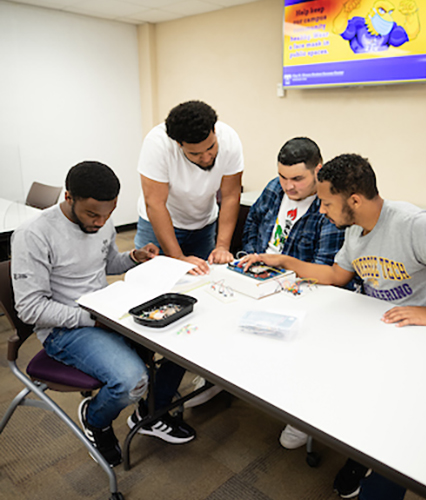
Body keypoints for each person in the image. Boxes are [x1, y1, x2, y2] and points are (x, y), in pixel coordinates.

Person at [240, 153, 426, 499]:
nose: (321, 210)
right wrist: (283, 261)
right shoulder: (354, 229)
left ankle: (379, 464)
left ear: (354, 200)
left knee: (400, 417)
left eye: (325, 203)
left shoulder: (411, 223)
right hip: (384, 325)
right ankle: (359, 451)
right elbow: (338, 275)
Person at [11, 161, 196, 468]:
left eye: (108, 213)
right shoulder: (34, 234)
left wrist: (134, 258)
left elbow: (106, 263)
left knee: (181, 339)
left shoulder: (103, 220)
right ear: (69, 197)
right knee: (132, 380)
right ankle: (96, 419)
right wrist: (91, 318)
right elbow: (30, 309)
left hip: (106, 311)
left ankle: (149, 414)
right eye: (92, 214)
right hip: (64, 328)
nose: (100, 222)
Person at [242, 137, 345, 449]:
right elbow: (253, 224)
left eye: (298, 178)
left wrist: (284, 274)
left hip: (301, 284)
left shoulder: (329, 204)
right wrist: (249, 259)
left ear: (319, 170)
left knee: (298, 340)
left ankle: (300, 412)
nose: (288, 186)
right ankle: (216, 381)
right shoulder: (275, 187)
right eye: (283, 177)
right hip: (261, 272)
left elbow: (325, 267)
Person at [135, 100, 244, 275]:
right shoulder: (157, 144)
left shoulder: (229, 139)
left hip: (204, 225)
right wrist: (177, 257)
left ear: (214, 131)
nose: (207, 158)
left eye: (211, 148)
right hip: (159, 225)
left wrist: (222, 246)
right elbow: (155, 203)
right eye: (195, 154)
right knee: (154, 285)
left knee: (204, 282)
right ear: (178, 143)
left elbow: (231, 195)